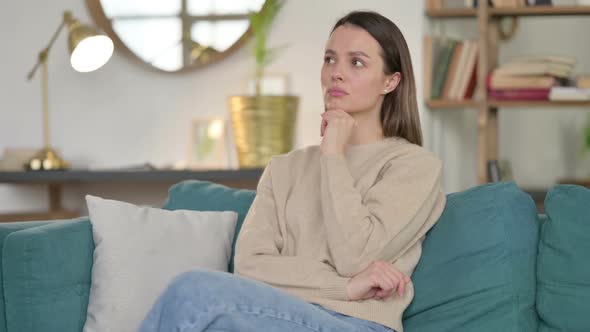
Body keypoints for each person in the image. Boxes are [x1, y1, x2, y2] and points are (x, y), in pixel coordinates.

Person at [139, 10, 446, 332]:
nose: (335, 74)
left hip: (356, 324)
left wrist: (332, 154)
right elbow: (251, 266)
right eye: (329, 59)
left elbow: (356, 257)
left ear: (390, 81)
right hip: (274, 315)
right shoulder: (284, 168)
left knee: (194, 290)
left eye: (356, 62)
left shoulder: (413, 165)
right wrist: (346, 286)